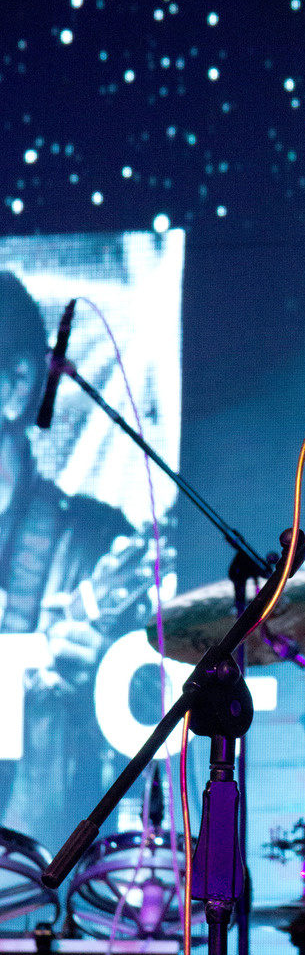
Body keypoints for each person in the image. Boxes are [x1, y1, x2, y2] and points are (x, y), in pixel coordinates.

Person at [0, 271, 133, 848]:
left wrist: (104, 675)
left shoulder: (94, 541)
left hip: (46, 876)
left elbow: (161, 720)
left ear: (15, 387)